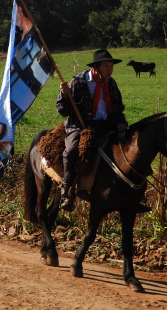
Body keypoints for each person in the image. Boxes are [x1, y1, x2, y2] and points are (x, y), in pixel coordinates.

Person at [57, 49, 136, 212]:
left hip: (106, 125)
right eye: (106, 66)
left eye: (111, 66)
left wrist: (121, 123)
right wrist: (64, 94)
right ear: (96, 67)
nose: (110, 69)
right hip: (80, 125)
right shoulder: (78, 81)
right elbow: (62, 109)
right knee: (71, 151)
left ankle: (132, 195)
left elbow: (118, 108)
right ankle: (66, 192)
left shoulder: (111, 83)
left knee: (131, 148)